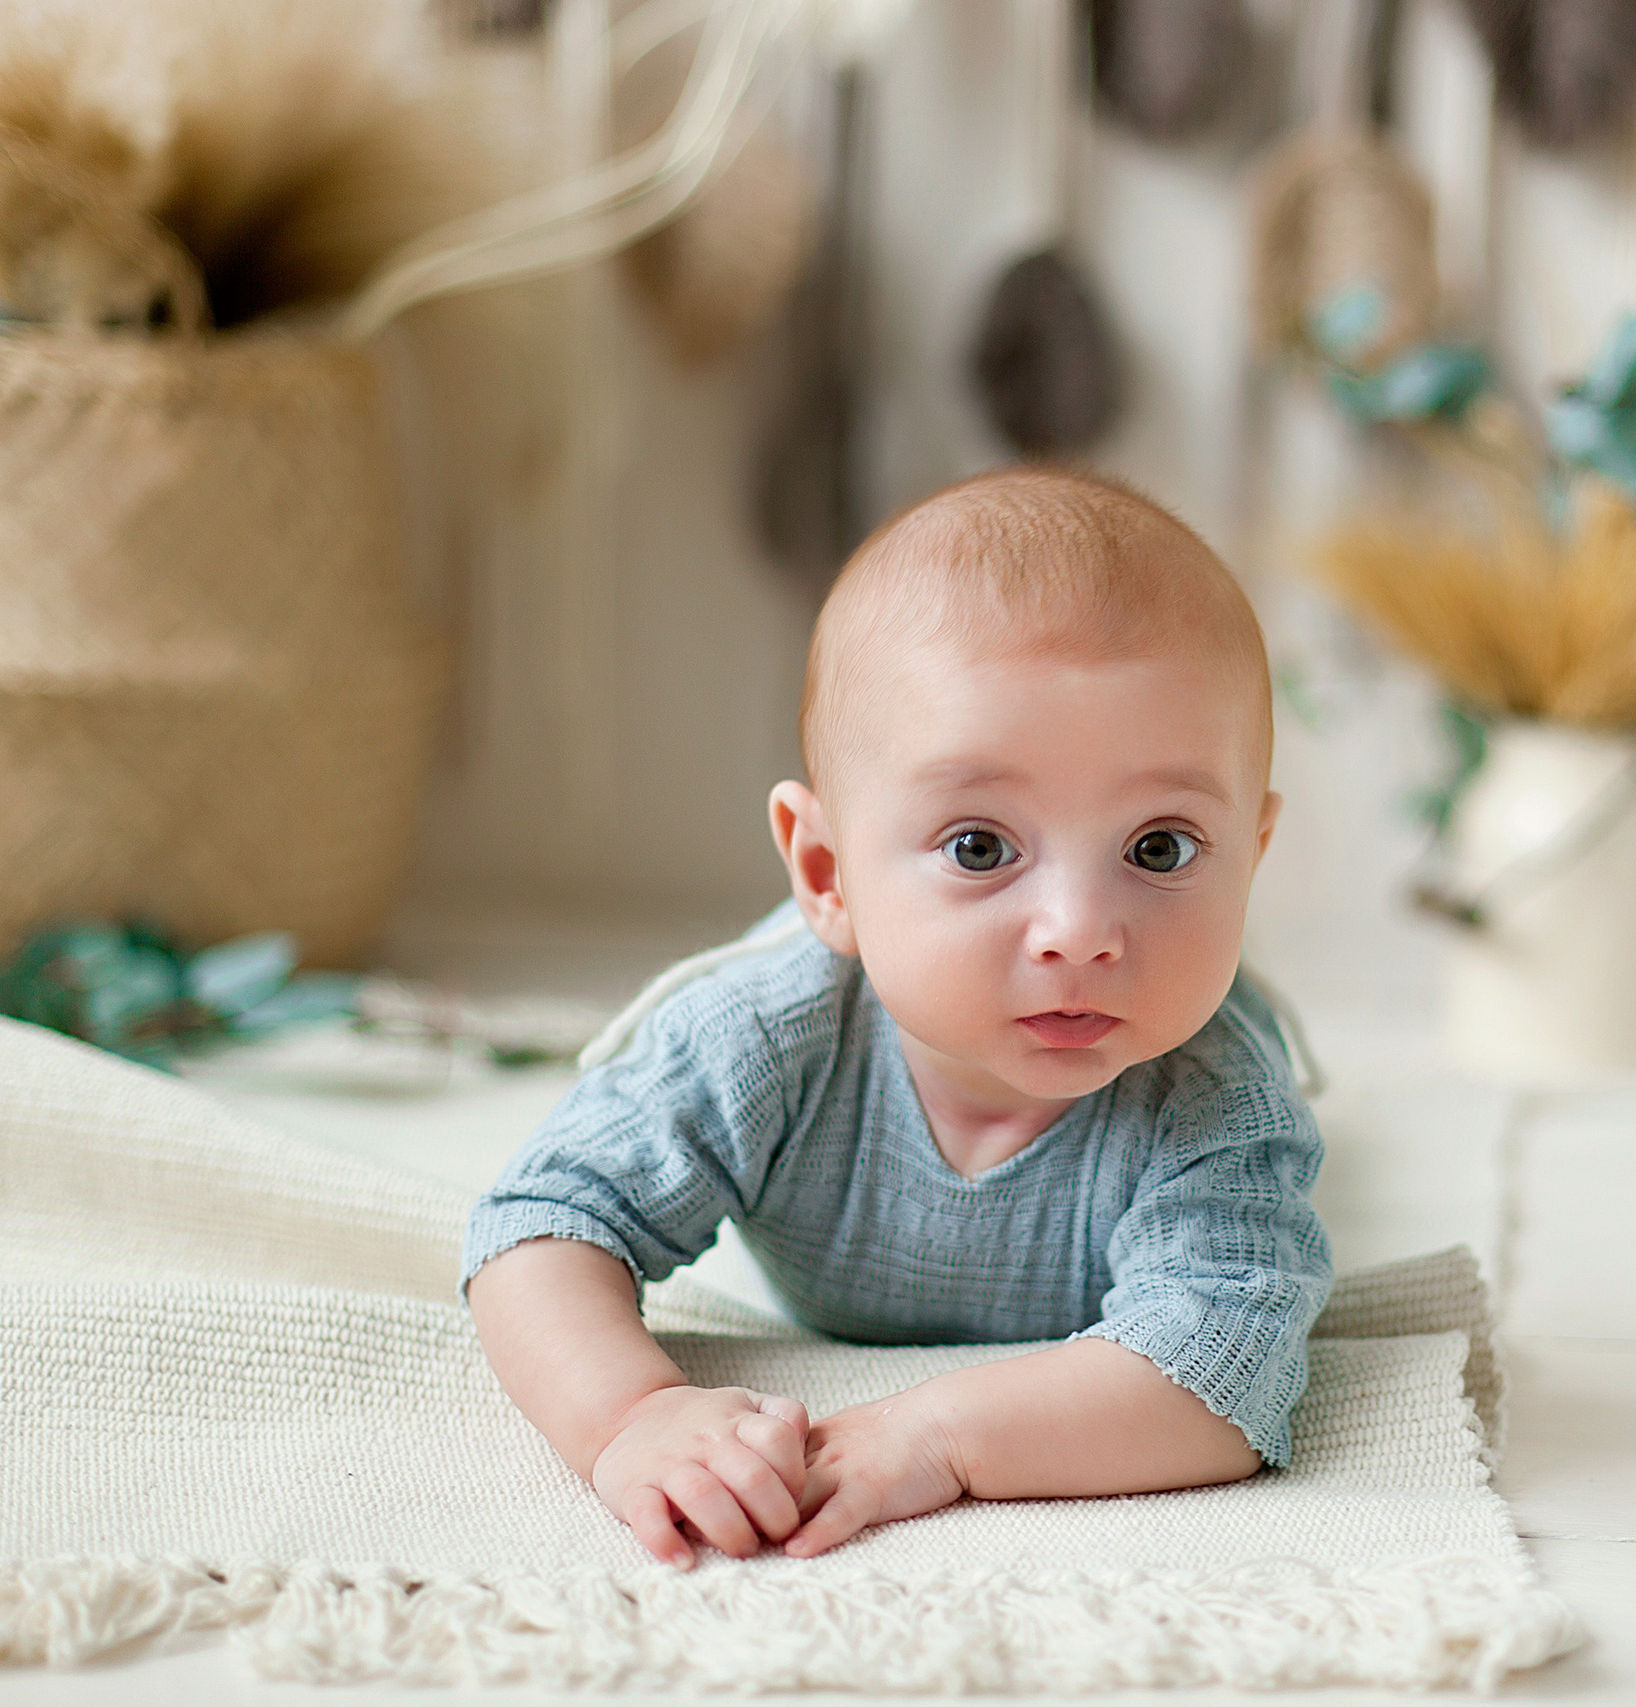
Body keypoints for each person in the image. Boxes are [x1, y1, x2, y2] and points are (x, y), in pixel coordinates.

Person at [461, 465, 1332, 1567]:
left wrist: (938, 1435)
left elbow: (1222, 1374)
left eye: (1159, 848)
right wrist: (630, 1415)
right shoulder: (763, 1038)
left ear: (1249, 859)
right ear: (825, 873)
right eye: (980, 847)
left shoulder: (1214, 1102)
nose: (1079, 929)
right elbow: (538, 1226)